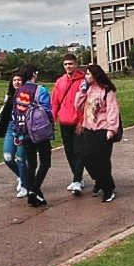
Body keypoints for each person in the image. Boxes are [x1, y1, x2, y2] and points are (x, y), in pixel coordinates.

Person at [0, 69, 51, 201]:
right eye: (14, 80)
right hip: (20, 128)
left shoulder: (21, 93)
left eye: (19, 80)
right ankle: (31, 185)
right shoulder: (22, 93)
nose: (16, 82)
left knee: (24, 159)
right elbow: (47, 110)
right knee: (11, 157)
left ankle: (27, 186)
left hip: (24, 128)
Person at [75, 64, 122, 202]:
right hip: (88, 129)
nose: (86, 77)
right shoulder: (88, 90)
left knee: (102, 161)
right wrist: (82, 91)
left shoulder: (107, 91)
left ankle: (108, 189)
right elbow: (77, 106)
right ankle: (101, 181)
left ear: (95, 75)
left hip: (103, 130)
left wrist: (111, 130)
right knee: (85, 156)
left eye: (88, 74)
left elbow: (113, 111)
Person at [51, 53, 88, 194]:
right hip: (64, 120)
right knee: (69, 151)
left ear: (76, 64)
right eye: (66, 64)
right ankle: (77, 177)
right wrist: (52, 119)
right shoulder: (60, 81)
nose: (68, 66)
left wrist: (82, 121)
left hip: (78, 121)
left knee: (79, 150)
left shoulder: (84, 81)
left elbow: (87, 103)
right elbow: (55, 102)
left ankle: (77, 180)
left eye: (70, 64)